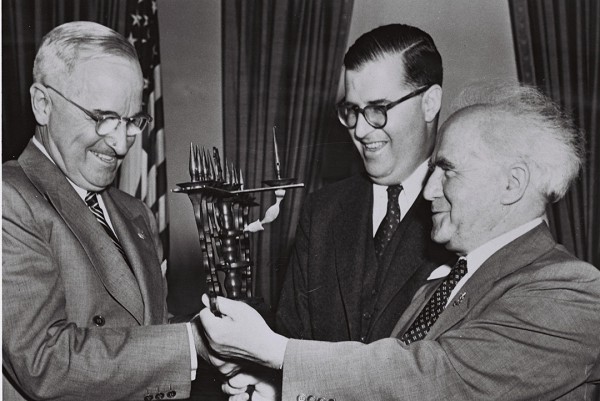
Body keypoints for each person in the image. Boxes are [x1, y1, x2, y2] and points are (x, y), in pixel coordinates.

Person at [200, 83, 600, 400]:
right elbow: (385, 389)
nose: (428, 192)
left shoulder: (574, 291)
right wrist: (283, 391)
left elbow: (435, 380)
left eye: (447, 172)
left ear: (512, 184)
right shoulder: (443, 281)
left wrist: (278, 352)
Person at [2, 21, 223, 401]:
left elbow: (145, 336)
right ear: (43, 104)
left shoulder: (135, 213)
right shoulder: (11, 199)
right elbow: (44, 362)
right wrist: (192, 343)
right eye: (102, 118)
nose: (121, 145)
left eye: (132, 121)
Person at [276, 23, 452, 344]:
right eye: (353, 111)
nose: (359, 130)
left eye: (378, 109)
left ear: (430, 102)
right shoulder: (321, 212)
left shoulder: (467, 212)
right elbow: (289, 343)